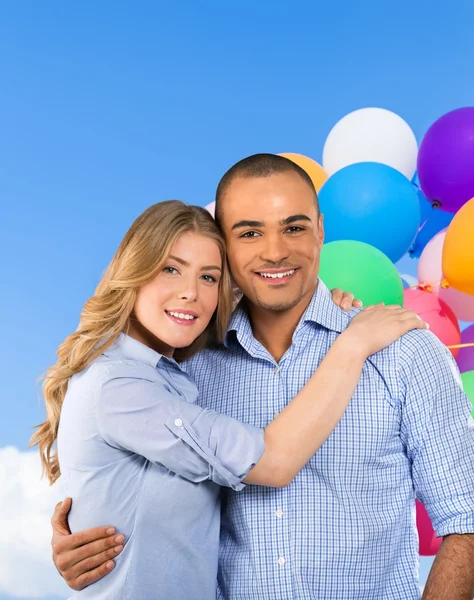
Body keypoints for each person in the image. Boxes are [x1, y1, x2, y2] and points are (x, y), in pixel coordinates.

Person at [50, 155, 474, 600]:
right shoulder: (184, 371)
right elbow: (121, 480)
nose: (274, 251)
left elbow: (466, 519)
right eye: (250, 232)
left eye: (294, 227)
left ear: (321, 231)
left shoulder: (402, 351)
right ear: (226, 248)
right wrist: (75, 539)